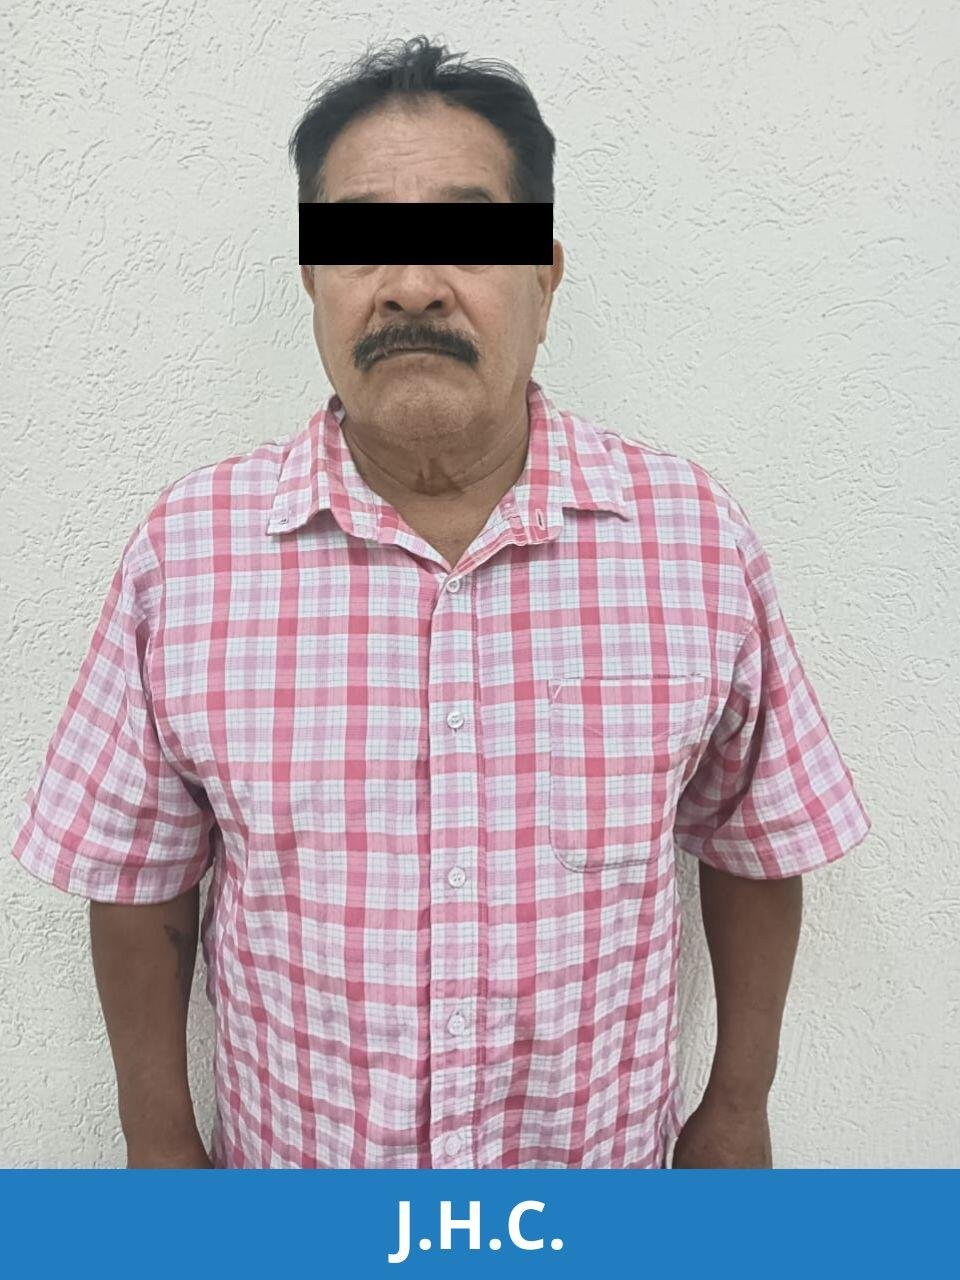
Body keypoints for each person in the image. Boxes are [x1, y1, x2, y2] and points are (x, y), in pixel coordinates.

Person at [11, 35, 870, 1170]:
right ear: (313, 281)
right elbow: (137, 881)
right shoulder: (189, 555)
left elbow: (759, 836)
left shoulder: (692, 541)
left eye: (467, 236)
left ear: (545, 277)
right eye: (361, 241)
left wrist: (740, 1104)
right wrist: (158, 1145)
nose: (411, 284)